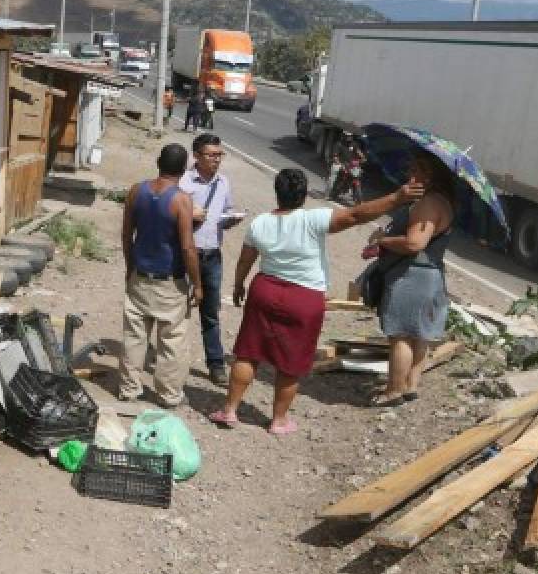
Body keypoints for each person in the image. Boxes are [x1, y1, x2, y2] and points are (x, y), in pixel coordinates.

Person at [208, 168, 422, 434]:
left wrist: (239, 284)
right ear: (304, 195)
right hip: (304, 298)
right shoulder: (313, 219)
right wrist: (397, 198)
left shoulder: (260, 223)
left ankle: (229, 410)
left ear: (278, 192)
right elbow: (357, 214)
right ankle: (279, 420)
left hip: (265, 289)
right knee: (291, 361)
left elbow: (245, 260)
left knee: (249, 353)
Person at [368, 151, 455, 406]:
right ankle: (410, 386)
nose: (410, 174)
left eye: (416, 169)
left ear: (429, 175)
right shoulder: (445, 201)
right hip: (432, 275)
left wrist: (381, 240)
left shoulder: (428, 204)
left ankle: (394, 390)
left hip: (412, 276)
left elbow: (415, 243)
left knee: (401, 334)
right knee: (420, 334)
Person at [120, 143, 203, 408]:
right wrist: (197, 284)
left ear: (158, 162)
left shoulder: (136, 191)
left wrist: (129, 266)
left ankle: (129, 389)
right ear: (184, 169)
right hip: (169, 282)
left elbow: (126, 235)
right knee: (171, 341)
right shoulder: (181, 200)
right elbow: (188, 247)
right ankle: (168, 395)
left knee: (134, 337)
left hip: (139, 275)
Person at [178, 133, 242, 387]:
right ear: (196, 156)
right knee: (177, 311)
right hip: (186, 256)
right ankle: (172, 363)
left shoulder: (223, 182)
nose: (216, 160)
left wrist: (231, 219)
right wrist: (189, 218)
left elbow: (225, 211)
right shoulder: (183, 183)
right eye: (211, 155)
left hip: (213, 256)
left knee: (211, 314)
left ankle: (216, 366)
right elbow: (171, 217)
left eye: (219, 155)